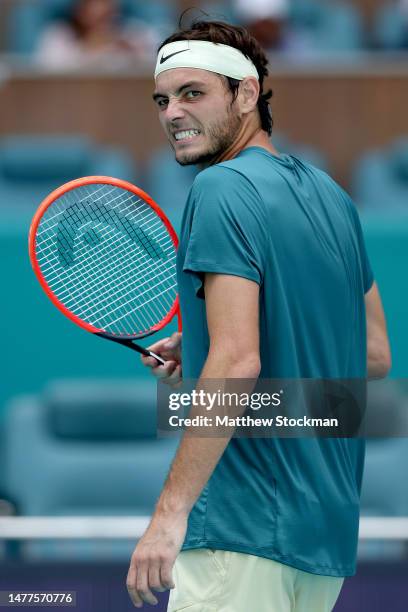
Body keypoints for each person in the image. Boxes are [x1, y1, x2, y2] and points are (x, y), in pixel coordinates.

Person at [126, 18, 391, 612]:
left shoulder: (219, 188)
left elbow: (239, 360)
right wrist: (200, 353)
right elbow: (373, 357)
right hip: (321, 538)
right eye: (163, 99)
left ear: (247, 94)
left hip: (239, 531)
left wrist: (169, 518)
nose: (172, 112)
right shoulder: (333, 196)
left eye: (193, 93)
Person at [35, 0, 158, 70]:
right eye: (94, 3)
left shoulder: (133, 32)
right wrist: (89, 49)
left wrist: (134, 54)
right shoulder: (58, 35)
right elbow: (45, 72)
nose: (102, 9)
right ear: (79, 10)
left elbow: (158, 64)